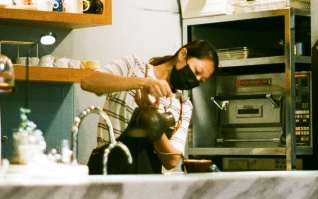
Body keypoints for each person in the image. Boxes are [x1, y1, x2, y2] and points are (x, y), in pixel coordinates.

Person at [80, 40, 218, 172]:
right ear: (182, 55)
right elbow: (89, 82)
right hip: (108, 176)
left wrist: (154, 125)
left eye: (201, 81)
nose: (196, 80)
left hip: (146, 185)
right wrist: (145, 83)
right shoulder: (133, 66)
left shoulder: (183, 106)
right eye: (196, 72)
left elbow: (172, 161)